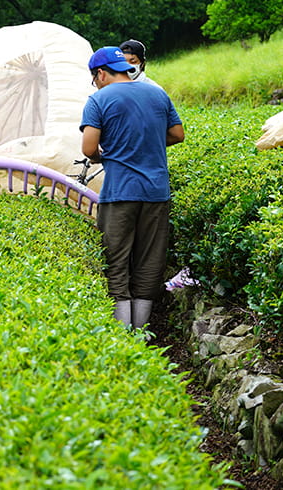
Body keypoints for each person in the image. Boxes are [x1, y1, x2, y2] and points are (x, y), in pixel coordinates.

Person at [80, 46, 184, 331]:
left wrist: (113, 152)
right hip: (156, 192)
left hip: (120, 193)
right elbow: (177, 134)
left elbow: (89, 148)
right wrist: (146, 145)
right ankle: (143, 330)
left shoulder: (98, 99)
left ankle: (124, 334)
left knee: (116, 258)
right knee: (150, 258)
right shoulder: (157, 94)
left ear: (100, 73)